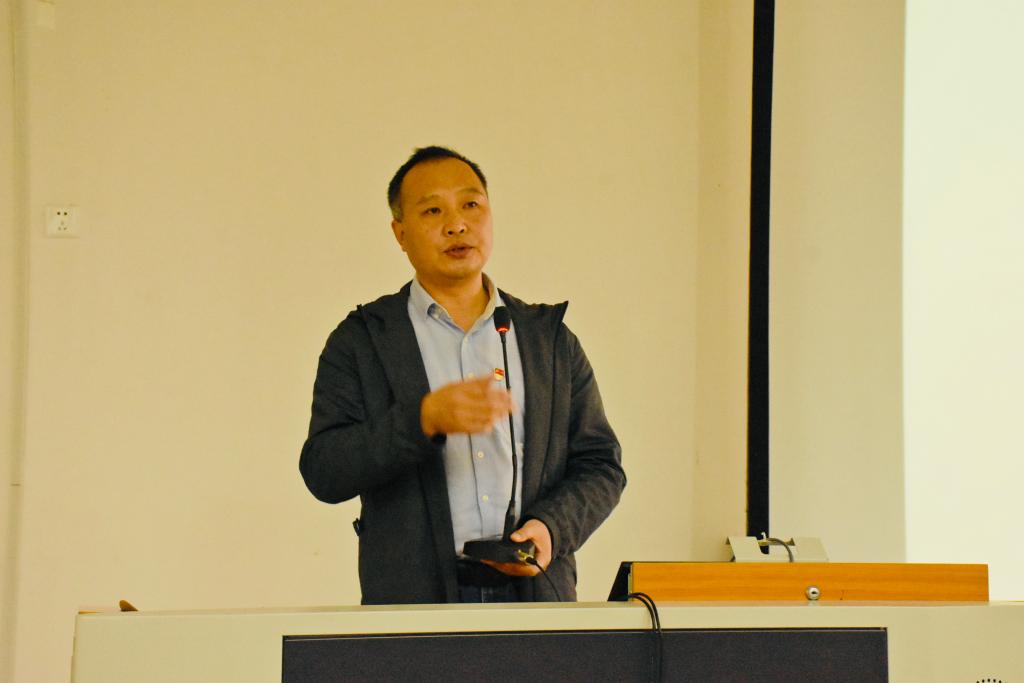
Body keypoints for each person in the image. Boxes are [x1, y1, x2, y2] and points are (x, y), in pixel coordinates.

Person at [299, 146, 625, 604]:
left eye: (471, 204)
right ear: (400, 233)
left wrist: (551, 528)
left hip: (535, 599)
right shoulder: (364, 340)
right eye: (433, 210)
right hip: (414, 605)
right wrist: (422, 421)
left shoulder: (547, 340)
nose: (456, 224)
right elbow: (324, 470)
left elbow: (601, 465)